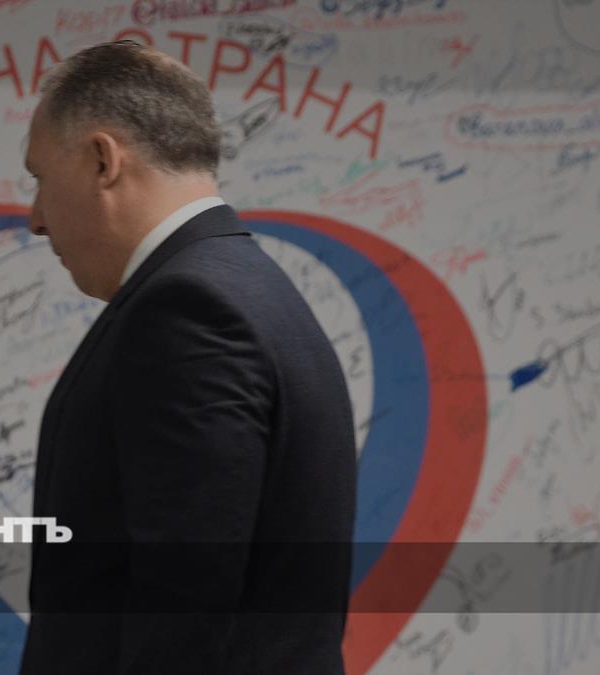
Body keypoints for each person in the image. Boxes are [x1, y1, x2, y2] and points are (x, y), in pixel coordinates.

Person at [18, 41, 358, 673]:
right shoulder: (246, 286)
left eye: (40, 178)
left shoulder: (188, 310)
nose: (36, 219)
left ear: (102, 160)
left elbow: (184, 606)